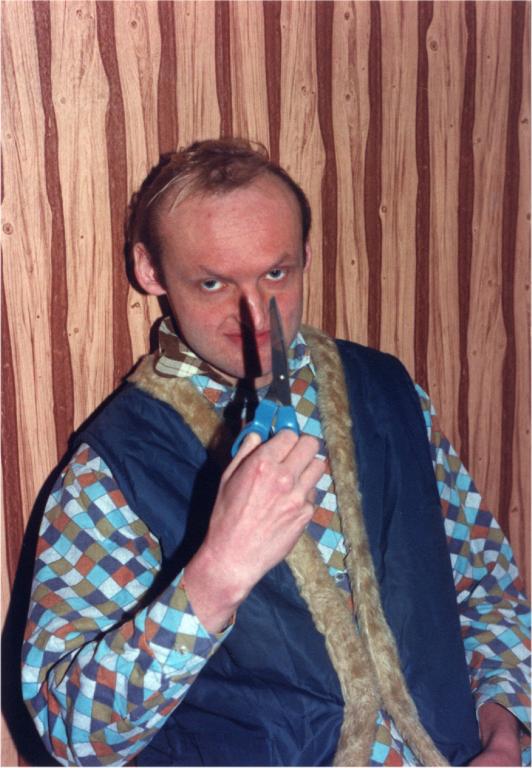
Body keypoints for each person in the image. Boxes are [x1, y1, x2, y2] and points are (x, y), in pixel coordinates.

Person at [21, 139, 529, 767]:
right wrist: (215, 576)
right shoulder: (114, 464)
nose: (254, 313)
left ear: (306, 255)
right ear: (150, 271)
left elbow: (485, 588)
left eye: (276, 274)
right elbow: (70, 734)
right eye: (212, 282)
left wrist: (503, 730)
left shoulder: (388, 393)